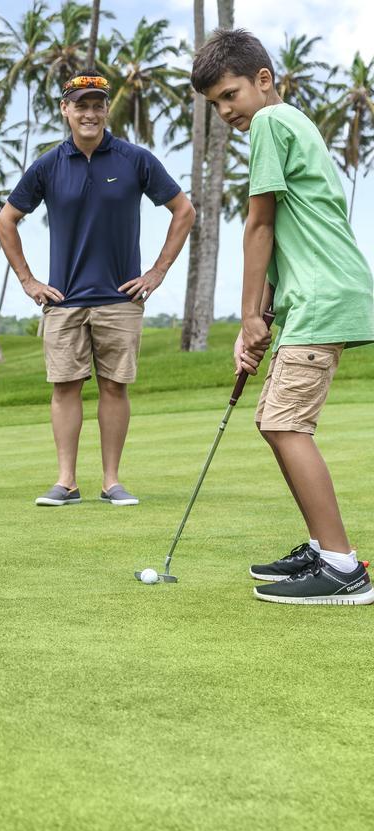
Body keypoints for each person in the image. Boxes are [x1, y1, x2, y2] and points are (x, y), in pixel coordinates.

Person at [192, 29, 374, 605]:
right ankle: (324, 549)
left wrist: (247, 315)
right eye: (216, 104)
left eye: (230, 95)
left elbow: (260, 225)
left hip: (323, 297)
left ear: (263, 80)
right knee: (275, 420)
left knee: (285, 424)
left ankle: (343, 568)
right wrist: (264, 314)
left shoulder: (271, 123)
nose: (226, 112)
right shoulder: (295, 123)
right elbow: (289, 233)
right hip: (317, 295)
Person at [0, 71, 195, 508]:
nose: (89, 112)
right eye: (80, 104)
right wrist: (29, 282)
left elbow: (183, 211)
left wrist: (157, 272)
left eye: (97, 105)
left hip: (120, 299)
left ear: (106, 110)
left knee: (114, 387)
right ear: (65, 109)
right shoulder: (48, 165)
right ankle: (66, 482)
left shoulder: (134, 159)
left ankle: (111, 481)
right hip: (64, 300)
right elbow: (5, 221)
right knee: (65, 387)